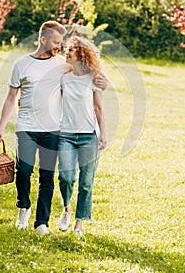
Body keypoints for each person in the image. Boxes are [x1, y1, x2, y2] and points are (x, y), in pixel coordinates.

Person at [0, 21, 107, 235]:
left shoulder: (62, 63)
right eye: (55, 42)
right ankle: (24, 207)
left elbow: (88, 71)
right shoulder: (21, 64)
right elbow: (10, 98)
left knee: (47, 177)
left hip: (53, 129)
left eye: (61, 42)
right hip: (26, 126)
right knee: (24, 171)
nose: (59, 47)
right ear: (42, 40)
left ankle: (41, 223)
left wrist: (103, 81)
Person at [57, 36, 107, 237]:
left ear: (82, 54)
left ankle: (79, 224)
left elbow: (98, 107)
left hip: (88, 136)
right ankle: (67, 207)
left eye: (71, 50)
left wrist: (102, 133)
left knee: (86, 182)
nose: (66, 53)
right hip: (66, 135)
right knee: (66, 177)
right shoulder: (63, 77)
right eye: (66, 50)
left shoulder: (93, 78)